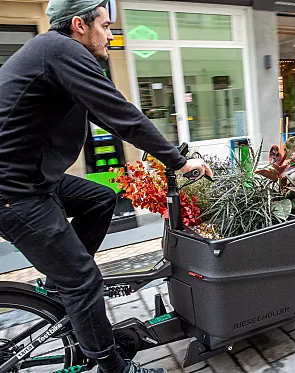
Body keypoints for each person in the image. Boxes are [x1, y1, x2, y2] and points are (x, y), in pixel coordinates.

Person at [0, 0, 212, 372]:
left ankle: (58, 287)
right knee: (83, 279)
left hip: (30, 177)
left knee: (99, 200)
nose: (111, 35)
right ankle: (112, 366)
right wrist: (178, 161)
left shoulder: (57, 55)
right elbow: (123, 115)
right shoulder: (59, 50)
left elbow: (107, 114)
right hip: (12, 192)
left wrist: (158, 154)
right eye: (105, 26)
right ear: (79, 25)